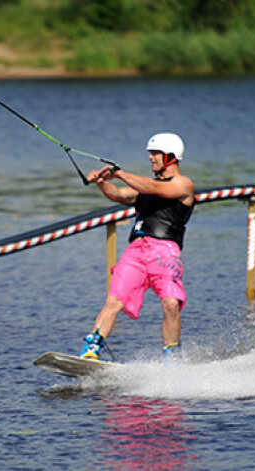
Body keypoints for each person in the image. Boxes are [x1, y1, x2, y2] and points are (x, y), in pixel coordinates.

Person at [80, 133, 195, 361]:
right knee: (114, 300)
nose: (151, 158)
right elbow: (120, 195)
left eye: (155, 154)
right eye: (150, 154)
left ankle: (171, 357)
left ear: (171, 158)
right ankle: (91, 349)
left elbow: (156, 189)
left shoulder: (183, 184)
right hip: (137, 250)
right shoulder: (145, 188)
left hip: (165, 252)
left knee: (170, 303)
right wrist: (102, 182)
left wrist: (120, 173)